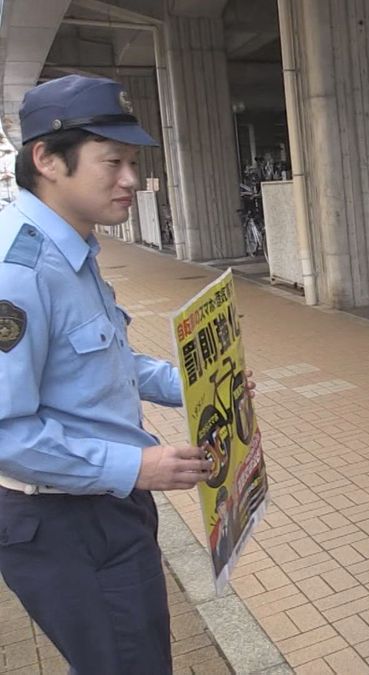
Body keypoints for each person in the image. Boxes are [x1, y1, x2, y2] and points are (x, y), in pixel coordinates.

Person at [0, 75, 219, 673]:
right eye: (112, 161)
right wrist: (134, 465)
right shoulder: (16, 272)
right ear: (46, 158)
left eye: (133, 161)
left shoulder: (76, 249)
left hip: (106, 507)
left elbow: (103, 364)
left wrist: (195, 384)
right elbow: (4, 433)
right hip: (64, 522)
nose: (131, 180)